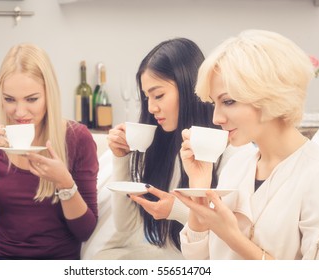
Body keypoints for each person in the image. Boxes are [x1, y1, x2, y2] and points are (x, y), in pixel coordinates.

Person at [175, 29, 319, 260]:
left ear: (270, 95)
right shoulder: (237, 165)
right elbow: (199, 264)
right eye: (214, 103)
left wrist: (232, 237)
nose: (216, 118)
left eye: (228, 101)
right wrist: (199, 189)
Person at [94, 38, 232, 259]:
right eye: (146, 97)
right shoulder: (165, 145)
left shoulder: (228, 149)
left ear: (189, 88)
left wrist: (176, 210)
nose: (151, 107)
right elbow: (126, 228)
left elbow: (231, 237)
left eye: (158, 95)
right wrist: (121, 158)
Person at [0, 44, 99, 260]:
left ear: (48, 95)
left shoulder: (77, 138)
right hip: (0, 259)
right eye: (9, 99)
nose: (20, 112)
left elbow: (85, 231)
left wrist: (64, 182)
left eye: (31, 99)